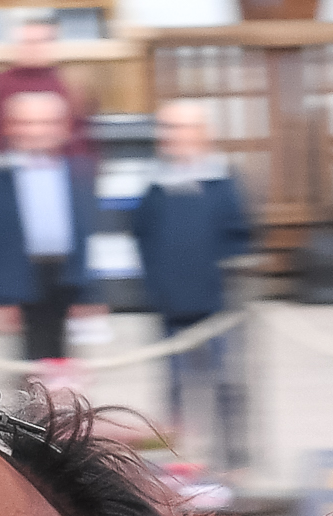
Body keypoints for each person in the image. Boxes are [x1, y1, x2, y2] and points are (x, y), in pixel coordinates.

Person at [137, 98, 254, 467]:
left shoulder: (222, 182)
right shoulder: (155, 185)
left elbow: (238, 235)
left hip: (216, 304)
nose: (173, 136)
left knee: (224, 383)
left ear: (203, 134)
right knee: (173, 386)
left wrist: (229, 281)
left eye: (183, 128)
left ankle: (231, 459)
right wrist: (156, 286)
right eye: (168, 128)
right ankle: (177, 461)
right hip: (171, 303)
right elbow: (143, 235)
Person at [0, 91, 103, 364]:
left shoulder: (79, 173)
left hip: (65, 277)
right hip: (18, 280)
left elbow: (86, 236)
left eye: (47, 123)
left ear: (64, 128)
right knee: (23, 362)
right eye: (27, 123)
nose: (36, 132)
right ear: (9, 127)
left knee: (62, 361)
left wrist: (89, 294)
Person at [0, 10, 91, 155]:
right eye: (28, 42)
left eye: (42, 42)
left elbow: (79, 137)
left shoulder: (69, 85)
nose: (34, 49)